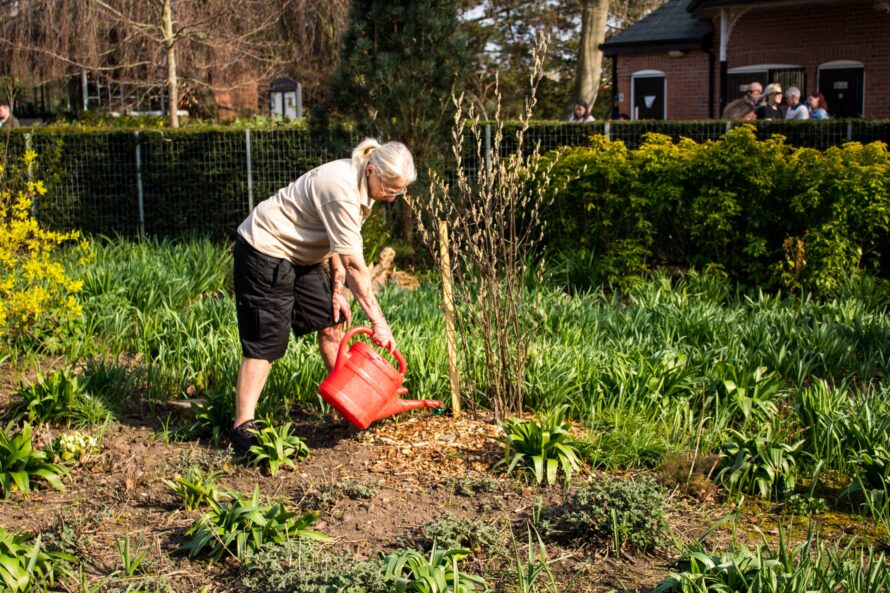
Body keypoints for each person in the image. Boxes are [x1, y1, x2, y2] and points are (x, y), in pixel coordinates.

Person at [230, 138, 416, 453]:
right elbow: (357, 266)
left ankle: (349, 404)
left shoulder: (361, 183)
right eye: (390, 189)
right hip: (266, 249)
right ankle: (242, 427)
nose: (392, 198)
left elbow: (336, 242)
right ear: (372, 170)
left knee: (333, 322)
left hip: (302, 255)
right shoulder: (342, 188)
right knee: (266, 343)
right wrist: (379, 322)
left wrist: (336, 288)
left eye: (399, 192)